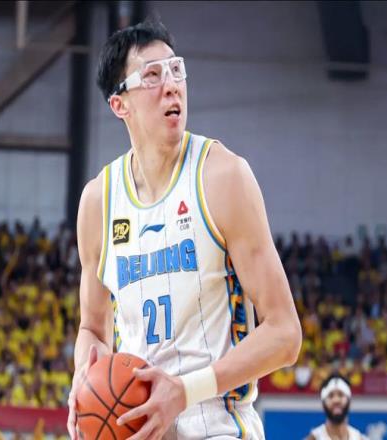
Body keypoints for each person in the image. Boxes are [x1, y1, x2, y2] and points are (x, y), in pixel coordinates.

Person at [67, 20, 301, 440]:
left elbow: (285, 334)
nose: (172, 85)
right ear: (120, 105)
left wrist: (185, 391)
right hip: (140, 427)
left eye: (176, 70)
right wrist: (85, 378)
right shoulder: (98, 201)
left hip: (217, 425)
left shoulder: (223, 176)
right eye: (152, 76)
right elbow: (93, 330)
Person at [306, 373, 368, 440]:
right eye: (331, 396)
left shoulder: (359, 438)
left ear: (349, 401)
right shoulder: (314, 438)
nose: (336, 400)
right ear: (323, 404)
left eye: (340, 395)